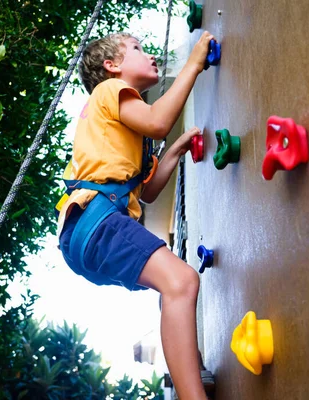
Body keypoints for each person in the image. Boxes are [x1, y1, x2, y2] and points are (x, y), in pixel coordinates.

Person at [56, 30, 215, 399]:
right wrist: (194, 62)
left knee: (171, 286)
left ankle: (189, 367)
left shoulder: (125, 134)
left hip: (85, 236)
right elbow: (159, 121)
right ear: (112, 66)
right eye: (137, 49)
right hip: (96, 221)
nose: (149, 54)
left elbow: (149, 192)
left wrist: (173, 151)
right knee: (182, 282)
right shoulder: (110, 92)